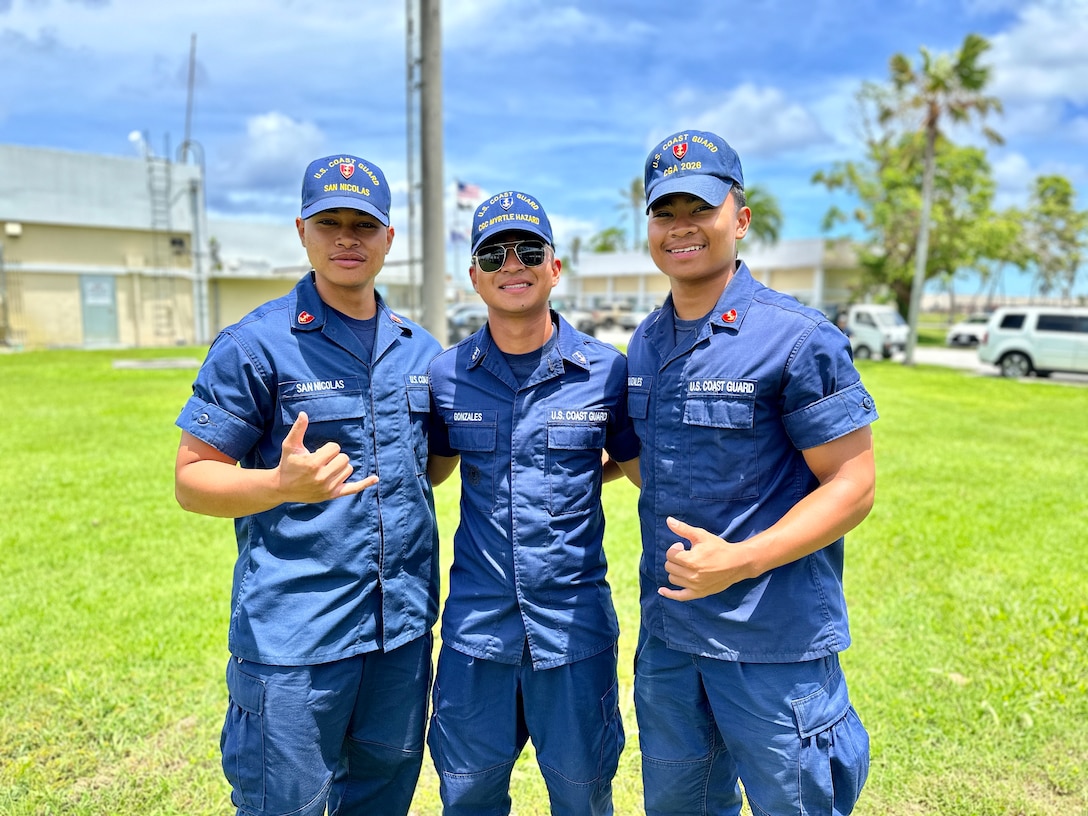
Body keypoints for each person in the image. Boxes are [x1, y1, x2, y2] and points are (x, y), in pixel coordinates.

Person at [174, 153, 442, 816]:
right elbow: (192, 478)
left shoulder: (421, 350)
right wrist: (280, 485)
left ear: (389, 239)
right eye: (330, 223)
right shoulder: (256, 345)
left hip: (398, 634)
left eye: (364, 224)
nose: (347, 237)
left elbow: (430, 464)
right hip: (296, 640)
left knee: (382, 801)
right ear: (302, 231)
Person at [626, 130, 878, 816]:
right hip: (671, 642)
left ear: (739, 218)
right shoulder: (646, 340)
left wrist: (740, 560)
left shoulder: (797, 337)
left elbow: (853, 484)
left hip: (772, 646)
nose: (681, 227)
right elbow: (660, 464)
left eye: (699, 208)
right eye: (663, 212)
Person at [426, 190, 640, 815]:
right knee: (468, 798)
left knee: (581, 798)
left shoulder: (607, 372)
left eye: (528, 250)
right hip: (476, 633)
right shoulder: (447, 376)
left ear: (555, 266)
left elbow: (638, 470)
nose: (510, 264)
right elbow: (434, 471)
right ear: (473, 277)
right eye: (493, 254)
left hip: (573, 632)